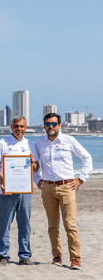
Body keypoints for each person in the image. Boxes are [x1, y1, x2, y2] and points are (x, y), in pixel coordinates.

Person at [35, 113, 92, 270]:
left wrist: (81, 179)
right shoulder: (39, 143)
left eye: (54, 124)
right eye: (47, 124)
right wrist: (37, 180)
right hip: (47, 188)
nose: (51, 127)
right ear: (44, 126)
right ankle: (57, 256)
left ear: (60, 125)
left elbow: (86, 158)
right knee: (52, 225)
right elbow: (33, 164)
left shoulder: (69, 140)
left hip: (67, 187)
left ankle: (75, 258)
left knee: (70, 224)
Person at [0, 116, 39, 266]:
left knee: (25, 224)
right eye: (16, 126)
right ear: (11, 127)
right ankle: (3, 255)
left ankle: (25, 256)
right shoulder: (2, 143)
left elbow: (36, 168)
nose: (19, 129)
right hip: (6, 191)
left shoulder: (30, 144)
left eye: (22, 126)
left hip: (25, 191)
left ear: (26, 127)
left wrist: (33, 163)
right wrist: (2, 183)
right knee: (4, 223)